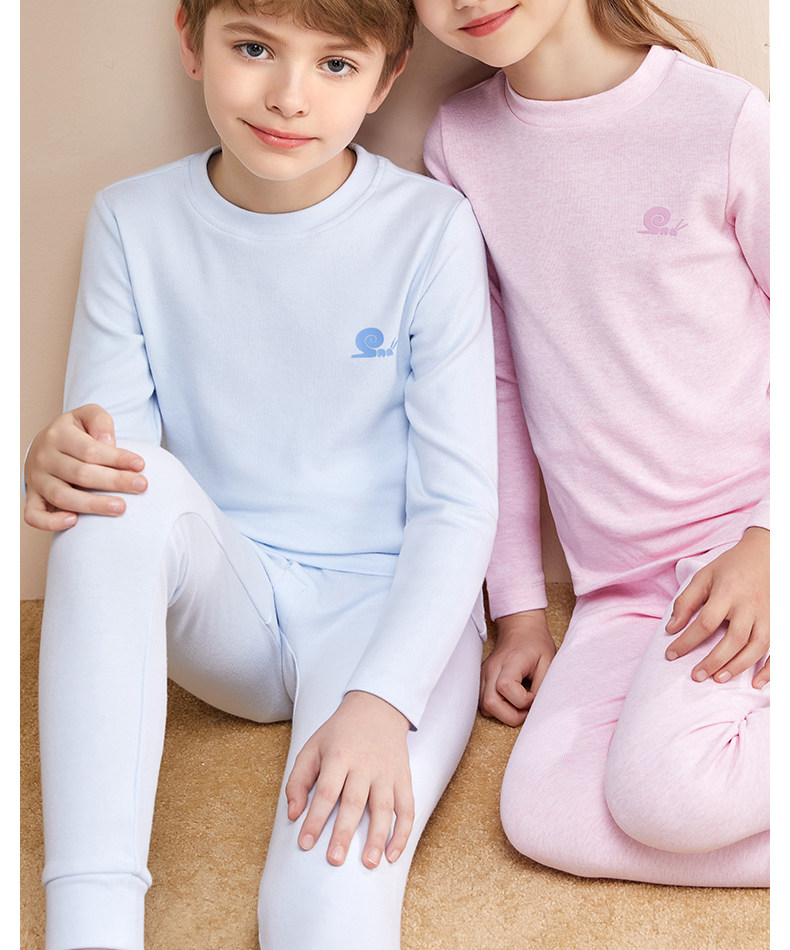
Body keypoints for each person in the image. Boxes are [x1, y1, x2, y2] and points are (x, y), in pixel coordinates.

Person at [23, 1, 499, 947]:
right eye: (253, 48)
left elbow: (457, 504)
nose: (288, 96)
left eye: (335, 65)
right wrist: (63, 457)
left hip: (385, 611)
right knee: (111, 495)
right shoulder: (131, 220)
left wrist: (381, 702)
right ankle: (90, 922)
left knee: (325, 914)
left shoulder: (431, 228)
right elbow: (117, 470)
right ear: (191, 42)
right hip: (231, 607)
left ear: (387, 79)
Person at [415, 0, 769, 886]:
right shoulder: (459, 143)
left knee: (670, 795)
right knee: (544, 813)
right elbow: (493, 387)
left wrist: (772, 540)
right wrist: (519, 612)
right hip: (619, 588)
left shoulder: (722, 118)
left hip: (748, 547)